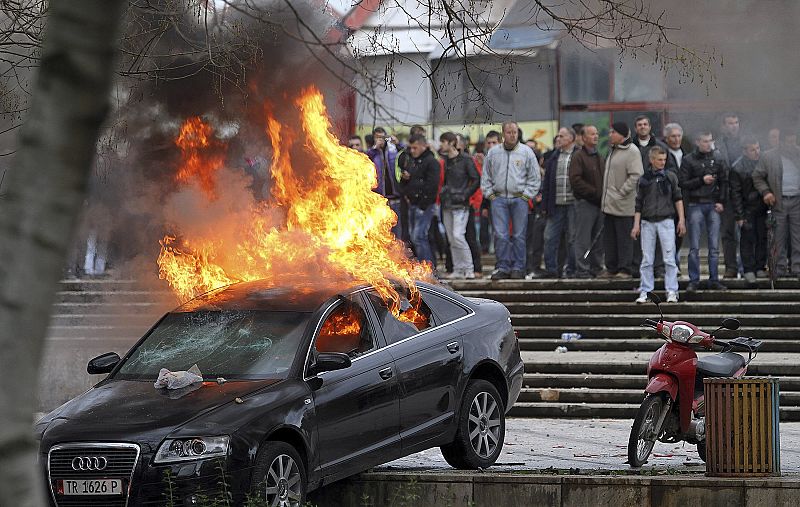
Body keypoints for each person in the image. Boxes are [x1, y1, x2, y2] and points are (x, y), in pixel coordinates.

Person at [481, 121, 541, 280]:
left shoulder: (526, 152)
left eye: (515, 132)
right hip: (498, 198)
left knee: (519, 235)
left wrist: (527, 195)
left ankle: (518, 268)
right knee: (500, 235)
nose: (512, 135)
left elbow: (535, 177)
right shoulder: (493, 153)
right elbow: (486, 176)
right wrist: (490, 194)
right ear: (503, 134)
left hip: (519, 198)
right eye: (509, 132)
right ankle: (503, 266)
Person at [632, 146, 686, 303]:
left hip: (666, 220)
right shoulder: (644, 179)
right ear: (652, 160)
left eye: (664, 160)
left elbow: (678, 198)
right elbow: (638, 203)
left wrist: (681, 219)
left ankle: (672, 290)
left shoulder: (670, 177)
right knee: (647, 259)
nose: (662, 162)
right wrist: (636, 224)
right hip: (648, 221)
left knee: (669, 258)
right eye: (659, 159)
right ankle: (646, 290)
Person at [679, 131, 729, 292]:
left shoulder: (718, 158)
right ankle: (694, 280)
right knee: (694, 246)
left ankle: (714, 279)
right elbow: (683, 183)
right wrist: (701, 180)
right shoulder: (688, 160)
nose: (708, 144)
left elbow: (724, 181)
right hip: (695, 204)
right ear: (697, 142)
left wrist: (721, 201)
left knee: (714, 246)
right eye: (705, 141)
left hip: (713, 204)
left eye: (710, 141)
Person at [753, 130, 800, 278]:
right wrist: (766, 192)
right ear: (782, 141)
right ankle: (779, 269)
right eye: (789, 142)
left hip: (797, 200)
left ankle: (797, 268)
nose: (792, 145)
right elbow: (757, 176)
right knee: (778, 237)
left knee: (797, 236)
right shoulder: (769, 156)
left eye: (794, 142)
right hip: (778, 201)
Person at [601, 122, 644, 278]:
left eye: (613, 132)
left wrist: (621, 192)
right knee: (610, 238)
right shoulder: (613, 150)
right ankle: (611, 267)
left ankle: (625, 268)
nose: (610, 134)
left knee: (624, 238)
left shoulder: (632, 151)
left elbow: (636, 175)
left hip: (624, 204)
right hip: (609, 204)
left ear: (621, 134)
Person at [536, 126, 578, 278]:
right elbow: (546, 184)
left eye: (561, 136)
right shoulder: (553, 157)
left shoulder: (578, 155)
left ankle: (572, 269)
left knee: (573, 238)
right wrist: (545, 206)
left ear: (571, 139)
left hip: (574, 205)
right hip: (556, 205)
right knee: (549, 237)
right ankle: (551, 270)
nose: (558, 139)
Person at [439, 132, 481, 279]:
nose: (441, 145)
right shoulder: (444, 161)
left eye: (443, 142)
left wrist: (465, 194)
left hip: (461, 204)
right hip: (447, 204)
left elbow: (476, 179)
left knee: (458, 235)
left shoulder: (466, 160)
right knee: (451, 238)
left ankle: (469, 268)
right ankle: (458, 268)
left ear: (451, 143)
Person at [569, 125, 605, 279]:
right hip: (585, 203)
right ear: (583, 138)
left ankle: (597, 267)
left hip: (600, 204)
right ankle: (582, 269)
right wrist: (594, 192)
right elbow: (575, 180)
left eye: (597, 133)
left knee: (598, 239)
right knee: (583, 238)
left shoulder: (600, 156)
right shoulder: (578, 156)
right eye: (592, 134)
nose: (596, 136)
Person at [398, 133, 439, 268]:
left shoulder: (431, 162)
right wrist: (405, 180)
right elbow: (406, 184)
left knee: (419, 236)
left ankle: (428, 268)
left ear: (423, 146)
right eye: (411, 148)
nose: (412, 151)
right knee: (414, 238)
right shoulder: (412, 161)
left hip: (424, 206)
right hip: (413, 205)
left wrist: (423, 204)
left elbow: (432, 186)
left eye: (415, 148)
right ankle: (423, 267)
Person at [730, 136, 767, 285]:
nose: (756, 152)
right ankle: (748, 269)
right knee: (747, 240)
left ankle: (760, 267)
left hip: (763, 208)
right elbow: (736, 193)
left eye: (758, 148)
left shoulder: (764, 162)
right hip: (747, 209)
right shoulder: (737, 167)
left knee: (762, 238)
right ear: (745, 151)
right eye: (753, 149)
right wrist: (739, 215)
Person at [716, 113, 742, 279]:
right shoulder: (717, 144)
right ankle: (730, 267)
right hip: (725, 195)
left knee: (747, 232)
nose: (733, 126)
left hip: (744, 194)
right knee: (727, 233)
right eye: (730, 123)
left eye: (736, 122)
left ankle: (747, 266)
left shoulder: (746, 142)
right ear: (724, 126)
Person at [367, 127, 402, 239]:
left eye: (382, 137)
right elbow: (365, 160)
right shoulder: (372, 153)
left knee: (397, 229)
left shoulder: (393, 150)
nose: (380, 140)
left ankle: (399, 253)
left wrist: (398, 144)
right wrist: (375, 148)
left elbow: (405, 155)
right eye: (377, 137)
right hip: (380, 198)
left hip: (395, 196)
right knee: (382, 230)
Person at [479, 131, 501, 254]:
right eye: (489, 143)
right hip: (491, 200)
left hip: (505, 198)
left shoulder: (504, 157)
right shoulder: (487, 159)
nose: (491, 145)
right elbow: (485, 184)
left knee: (501, 232)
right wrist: (485, 204)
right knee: (493, 229)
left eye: (494, 142)